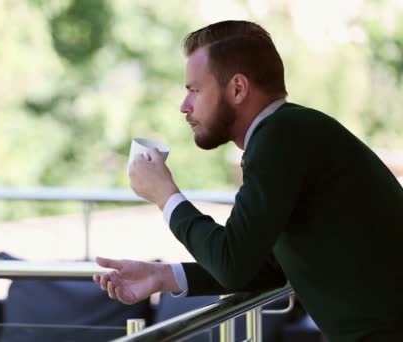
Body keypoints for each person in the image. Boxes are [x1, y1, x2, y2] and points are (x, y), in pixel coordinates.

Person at [93, 20, 403, 342]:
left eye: (195, 90)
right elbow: (266, 266)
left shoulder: (280, 138)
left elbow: (233, 263)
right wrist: (163, 275)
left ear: (238, 89)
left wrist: (166, 195)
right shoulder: (289, 132)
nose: (185, 106)